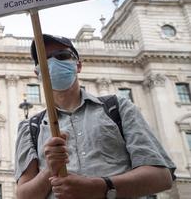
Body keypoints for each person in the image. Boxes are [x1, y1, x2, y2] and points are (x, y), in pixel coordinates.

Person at [14, 34, 175, 199]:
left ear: (78, 65)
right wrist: (49, 169)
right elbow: (24, 196)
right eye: (45, 59)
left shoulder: (117, 108)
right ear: (37, 73)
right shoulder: (30, 127)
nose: (54, 63)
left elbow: (162, 178)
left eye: (62, 56)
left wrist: (99, 187)